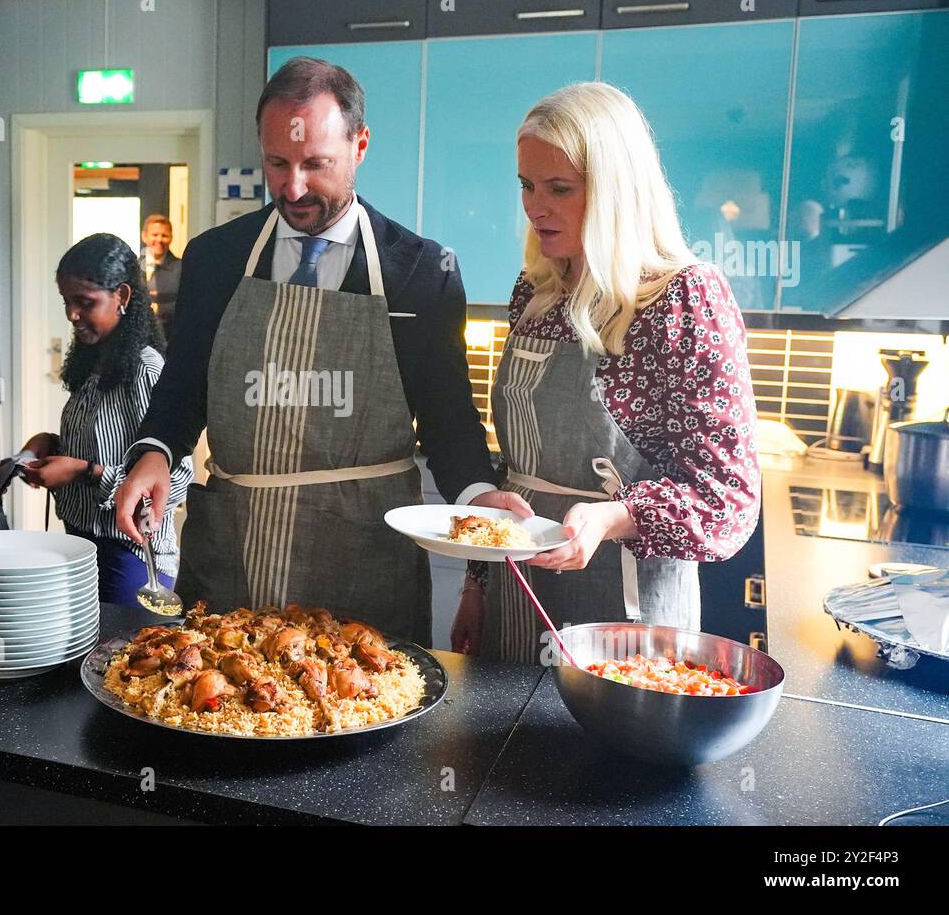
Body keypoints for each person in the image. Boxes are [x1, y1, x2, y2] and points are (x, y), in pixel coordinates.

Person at [113, 57, 529, 646]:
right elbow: (183, 391)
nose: (293, 187)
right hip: (234, 553)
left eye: (316, 164)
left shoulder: (419, 272)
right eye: (277, 163)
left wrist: (479, 496)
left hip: (365, 563)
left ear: (360, 145)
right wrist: (153, 453)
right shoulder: (214, 259)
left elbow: (448, 421)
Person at [449, 83, 761, 662]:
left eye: (559, 189)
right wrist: (477, 582)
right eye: (526, 184)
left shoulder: (682, 300)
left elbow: (728, 500)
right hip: (519, 590)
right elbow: (517, 467)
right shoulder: (536, 291)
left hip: (628, 606)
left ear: (617, 190)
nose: (534, 207)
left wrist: (617, 515)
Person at [20, 233, 193, 606]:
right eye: (66, 302)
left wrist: (84, 472)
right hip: (82, 543)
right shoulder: (91, 363)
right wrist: (51, 444)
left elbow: (176, 480)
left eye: (84, 302)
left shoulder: (146, 370)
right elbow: (101, 440)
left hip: (130, 557)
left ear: (123, 297)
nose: (71, 315)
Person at [140, 213, 180, 341]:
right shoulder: (133, 267)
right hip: (139, 339)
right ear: (144, 236)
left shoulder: (181, 268)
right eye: (155, 235)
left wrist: (160, 308)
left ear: (171, 238)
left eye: (164, 235)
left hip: (170, 338)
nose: (159, 240)